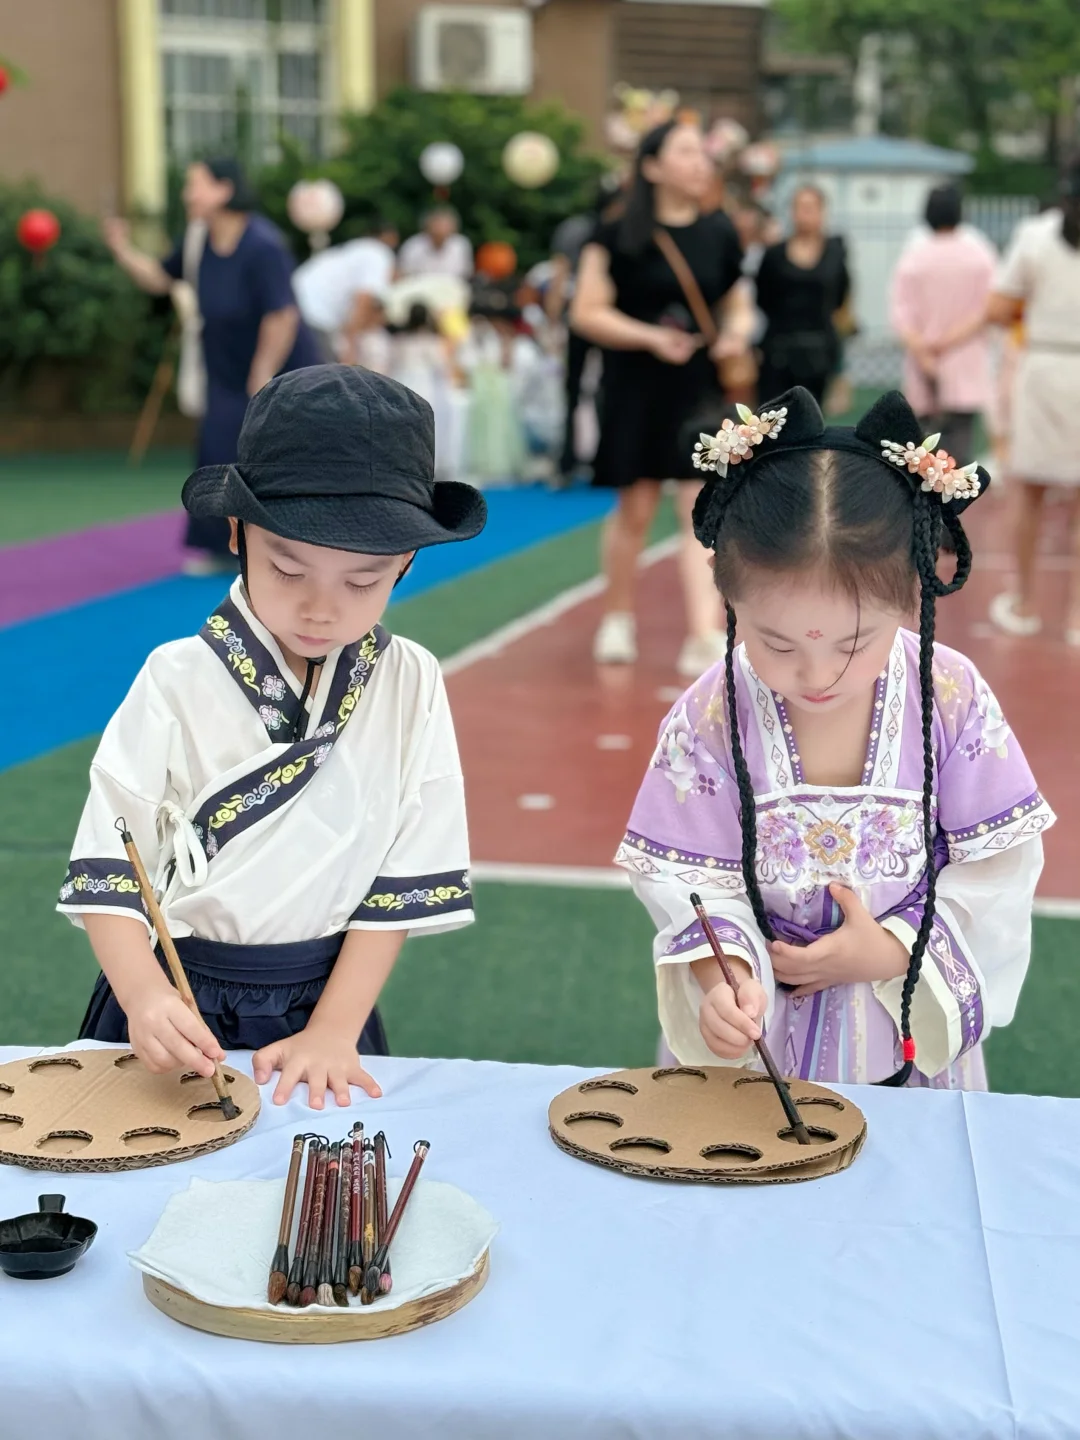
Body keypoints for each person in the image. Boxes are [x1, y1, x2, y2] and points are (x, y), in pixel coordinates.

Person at [57, 366, 487, 1109]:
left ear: (407, 565)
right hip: (173, 993)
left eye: (364, 582)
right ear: (237, 533)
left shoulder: (411, 680)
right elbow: (110, 859)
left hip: (325, 1006)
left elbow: (401, 876)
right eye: (288, 568)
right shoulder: (175, 677)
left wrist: (335, 1028)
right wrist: (143, 995)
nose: (322, 609)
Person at [616, 385, 1053, 1089]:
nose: (815, 674)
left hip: (907, 1027)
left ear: (912, 595)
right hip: (758, 1052)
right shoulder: (711, 716)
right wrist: (721, 978)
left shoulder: (950, 696)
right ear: (727, 598)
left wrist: (889, 949)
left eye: (854, 643)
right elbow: (687, 880)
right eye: (775, 642)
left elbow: (1000, 865)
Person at [571, 120, 755, 678]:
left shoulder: (719, 231)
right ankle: (617, 616)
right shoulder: (614, 235)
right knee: (636, 509)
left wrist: (735, 335)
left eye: (703, 153)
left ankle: (703, 632)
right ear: (651, 167)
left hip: (698, 389)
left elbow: (737, 303)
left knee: (697, 508)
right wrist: (650, 337)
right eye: (685, 153)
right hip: (634, 388)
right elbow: (587, 311)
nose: (700, 162)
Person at [104, 157, 321, 576]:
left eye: (195, 184)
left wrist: (263, 373)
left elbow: (283, 315)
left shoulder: (263, 245)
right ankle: (222, 547)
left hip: (276, 367)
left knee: (275, 459)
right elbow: (159, 279)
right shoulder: (197, 240)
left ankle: (294, 550)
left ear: (224, 190)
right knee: (217, 453)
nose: (187, 193)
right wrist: (121, 249)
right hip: (223, 366)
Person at [988, 158, 1080, 643]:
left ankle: (1024, 602)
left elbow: (998, 307)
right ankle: (1076, 618)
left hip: (1045, 368)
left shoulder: (1036, 235)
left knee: (1030, 493)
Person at [889, 185, 996, 466]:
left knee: (922, 456)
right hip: (964, 361)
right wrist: (948, 341)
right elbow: (988, 308)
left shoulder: (914, 256)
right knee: (959, 459)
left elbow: (901, 311)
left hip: (923, 363)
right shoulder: (979, 254)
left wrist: (924, 347)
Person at [754, 185, 850, 406]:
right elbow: (763, 296)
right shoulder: (774, 255)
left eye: (811, 208)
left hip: (820, 350)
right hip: (778, 350)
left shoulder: (835, 254)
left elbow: (840, 297)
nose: (805, 214)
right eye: (800, 207)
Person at [292, 219, 399, 364]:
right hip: (313, 314)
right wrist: (351, 346)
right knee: (321, 378)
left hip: (293, 304)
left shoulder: (353, 249)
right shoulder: (379, 254)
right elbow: (364, 298)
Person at [398, 206, 474, 281]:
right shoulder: (413, 246)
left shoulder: (461, 245)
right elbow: (404, 275)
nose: (439, 230)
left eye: (444, 226)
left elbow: (466, 275)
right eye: (436, 225)